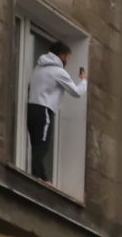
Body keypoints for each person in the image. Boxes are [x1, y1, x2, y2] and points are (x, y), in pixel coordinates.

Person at [25, 40, 85, 183]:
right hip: (44, 110)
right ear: (63, 56)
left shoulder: (38, 68)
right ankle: (37, 178)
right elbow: (76, 92)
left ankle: (41, 177)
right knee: (42, 146)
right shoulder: (59, 72)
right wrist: (84, 81)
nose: (68, 62)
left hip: (32, 108)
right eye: (68, 58)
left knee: (36, 145)